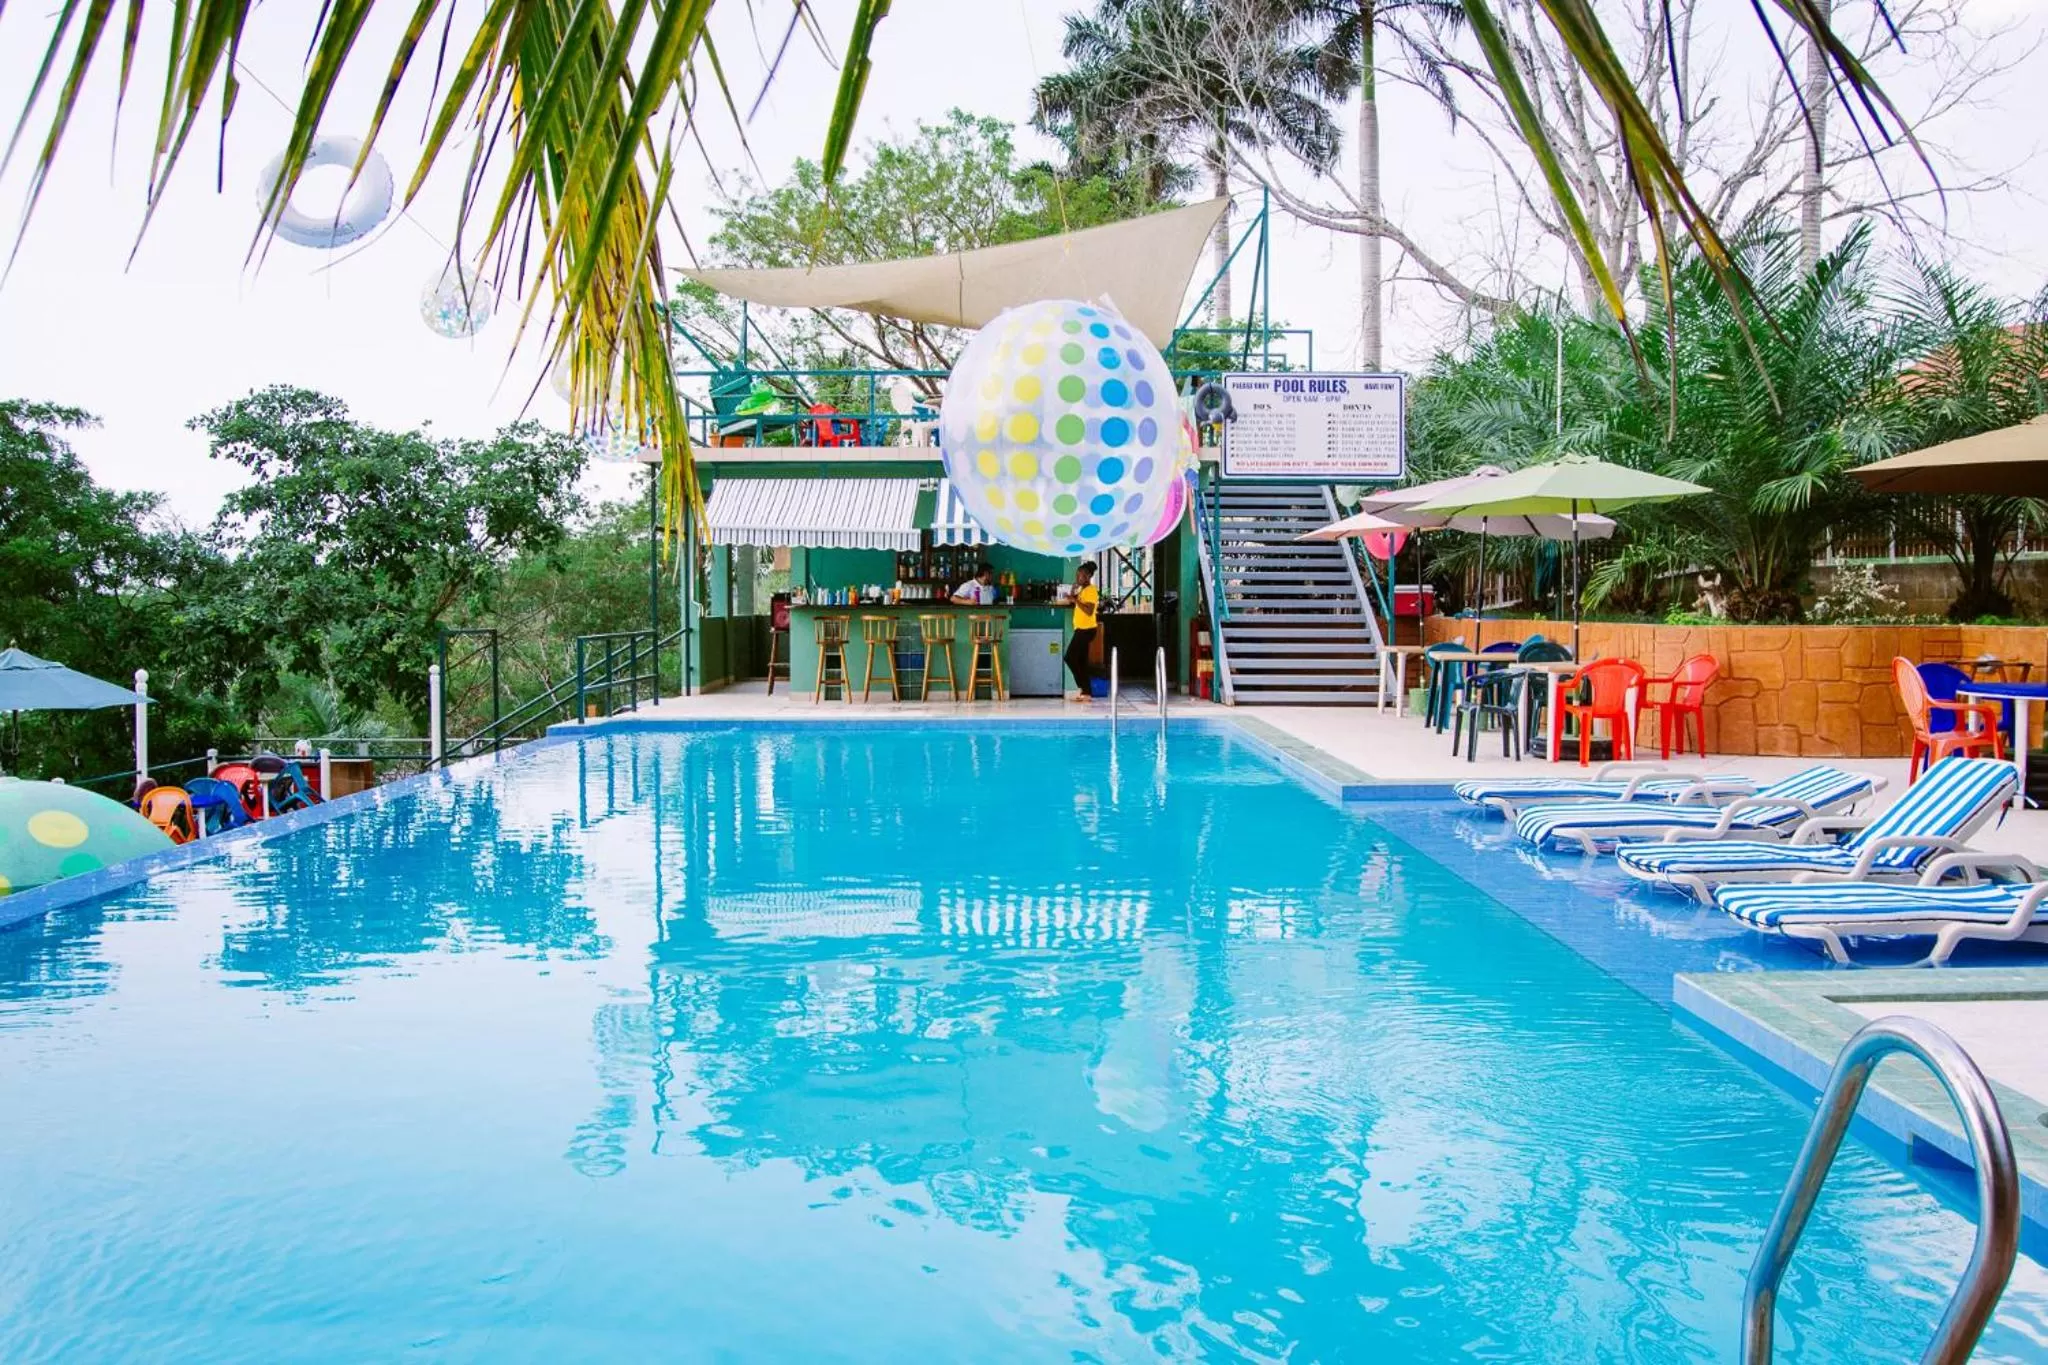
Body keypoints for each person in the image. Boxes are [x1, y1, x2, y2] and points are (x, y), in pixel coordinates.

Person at [1064, 561, 1100, 702]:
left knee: (1070, 658)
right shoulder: (1083, 590)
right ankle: (1086, 693)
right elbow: (1076, 603)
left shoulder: (1091, 590)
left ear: (1089, 576)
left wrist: (1075, 600)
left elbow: (1089, 611)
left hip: (1086, 630)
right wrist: (1073, 593)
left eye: (1082, 575)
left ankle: (1083, 687)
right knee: (1081, 661)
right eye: (1077, 574)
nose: (1078, 577)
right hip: (1082, 629)